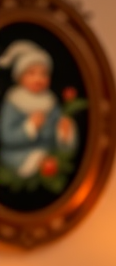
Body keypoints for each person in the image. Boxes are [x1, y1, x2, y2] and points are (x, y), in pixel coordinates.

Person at [0, 39, 77, 179]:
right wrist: (29, 126)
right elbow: (6, 136)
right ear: (20, 77)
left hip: (46, 154)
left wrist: (63, 132)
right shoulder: (13, 101)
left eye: (43, 74)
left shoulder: (49, 102)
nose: (38, 79)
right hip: (18, 155)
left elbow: (55, 132)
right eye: (31, 73)